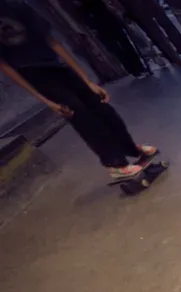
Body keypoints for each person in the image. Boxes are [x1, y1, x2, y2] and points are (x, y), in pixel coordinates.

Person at [0, 0, 156, 179]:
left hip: (57, 66)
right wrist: (46, 102)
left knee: (103, 108)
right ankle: (114, 163)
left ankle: (129, 148)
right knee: (82, 117)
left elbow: (53, 41)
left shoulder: (17, 5)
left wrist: (86, 80)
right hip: (35, 75)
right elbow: (4, 66)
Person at [75, 0, 148, 78]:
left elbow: (106, 13)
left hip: (108, 27)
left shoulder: (89, 6)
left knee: (123, 48)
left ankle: (137, 68)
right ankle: (136, 68)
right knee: (122, 49)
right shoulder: (85, 8)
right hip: (107, 29)